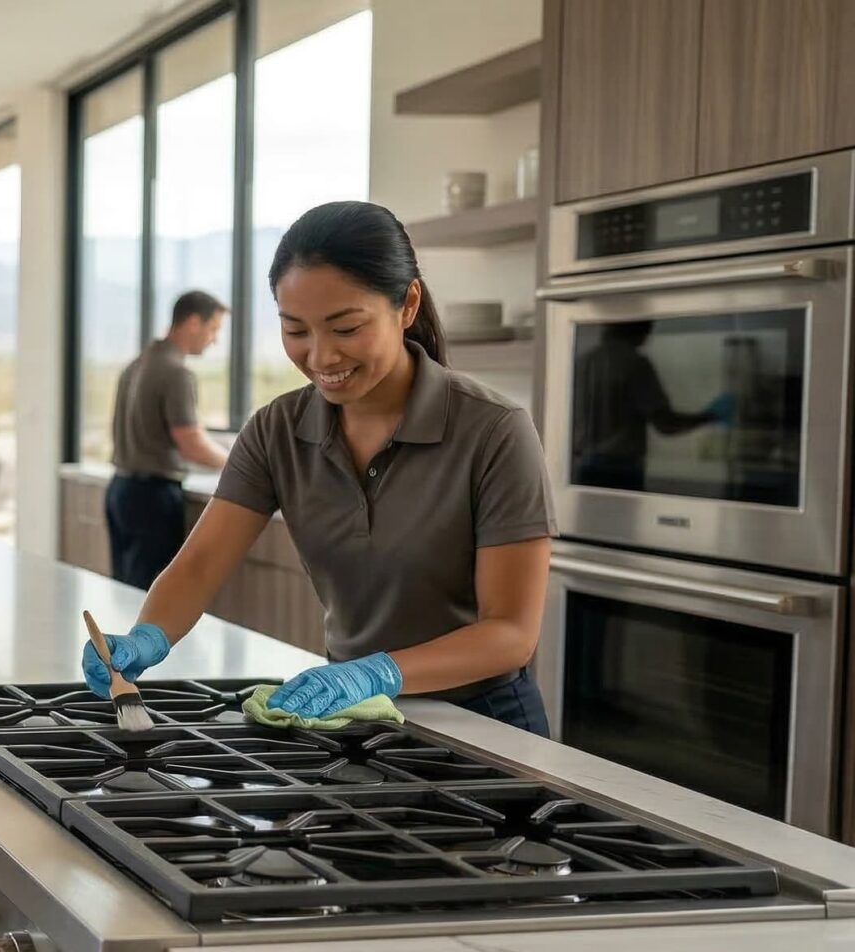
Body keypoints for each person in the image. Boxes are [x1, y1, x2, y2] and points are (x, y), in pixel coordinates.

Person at [83, 201, 556, 736]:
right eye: (296, 331)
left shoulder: (494, 430)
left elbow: (511, 632)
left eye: (346, 328)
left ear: (407, 304)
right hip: (352, 722)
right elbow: (199, 566)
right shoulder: (276, 431)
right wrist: (149, 636)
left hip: (486, 724)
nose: (321, 356)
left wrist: (379, 672)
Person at [105, 290, 232, 588]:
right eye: (213, 329)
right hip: (152, 499)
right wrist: (236, 464)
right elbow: (190, 442)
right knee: (151, 598)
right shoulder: (176, 373)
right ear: (192, 323)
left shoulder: (137, 365)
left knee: (125, 592)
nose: (214, 339)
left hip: (120, 491)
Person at [568, 319, 734, 492]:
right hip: (619, 471)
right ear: (639, 332)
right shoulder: (634, 363)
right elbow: (666, 424)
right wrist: (711, 415)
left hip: (580, 468)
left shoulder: (583, 362)